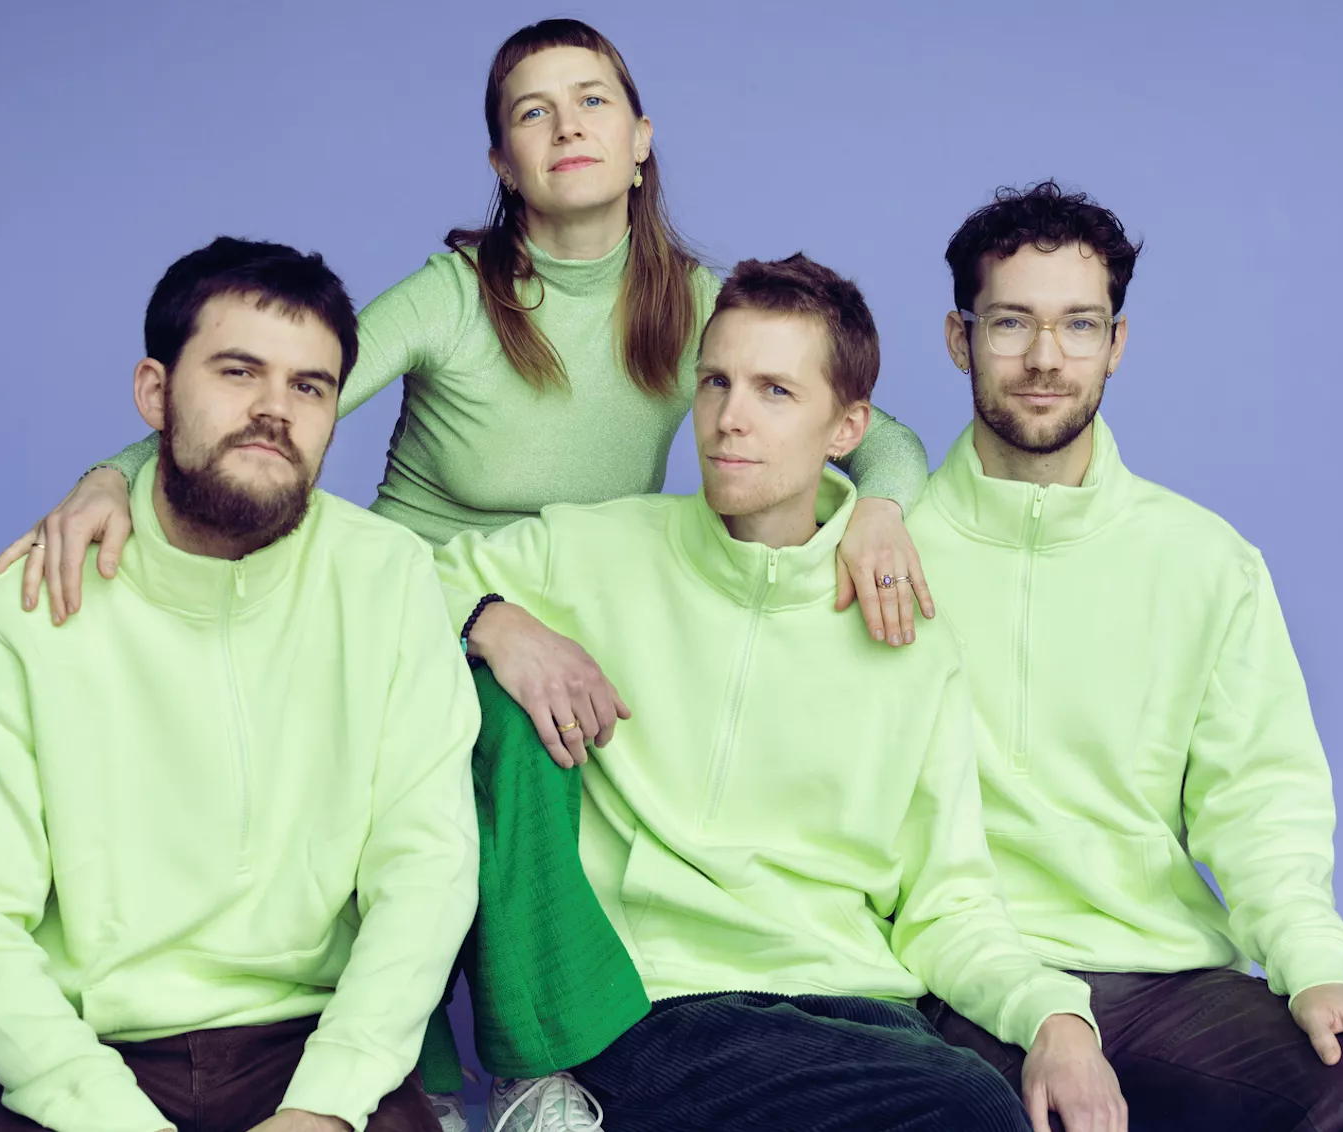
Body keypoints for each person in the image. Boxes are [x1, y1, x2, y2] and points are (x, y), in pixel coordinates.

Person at [0, 19, 940, 1129]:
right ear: (502, 162)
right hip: (419, 600)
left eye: (592, 101)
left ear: (641, 139)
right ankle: (468, 1077)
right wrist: (110, 477)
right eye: (533, 111)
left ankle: (567, 1045)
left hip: (577, 606)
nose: (566, 126)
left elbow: (879, 435)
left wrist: (880, 511)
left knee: (580, 733)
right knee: (494, 726)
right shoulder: (452, 295)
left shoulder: (693, 301)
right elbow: (275, 404)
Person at [437, 253, 1129, 1132]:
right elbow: (393, 587)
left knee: (968, 1100)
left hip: (855, 1011)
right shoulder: (592, 549)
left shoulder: (912, 643)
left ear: (847, 428)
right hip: (648, 1002)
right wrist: (496, 621)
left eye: (774, 392)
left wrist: (1057, 1020)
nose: (730, 418)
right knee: (967, 1107)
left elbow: (949, 900)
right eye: (715, 382)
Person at [0, 237, 479, 1132]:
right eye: (238, 372)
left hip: (313, 1047)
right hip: (83, 1062)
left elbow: (428, 868)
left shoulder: (388, 579)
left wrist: (328, 1102)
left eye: (309, 387)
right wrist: (106, 1114)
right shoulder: (11, 620)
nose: (274, 410)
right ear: (154, 393)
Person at [908, 181, 1343, 1131]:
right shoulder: (888, 548)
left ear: (1116, 344)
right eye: (1011, 323)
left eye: (1079, 325)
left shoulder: (1206, 560)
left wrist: (1317, 967)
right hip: (956, 973)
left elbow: (1259, 796)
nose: (1045, 359)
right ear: (960, 339)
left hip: (1160, 979)